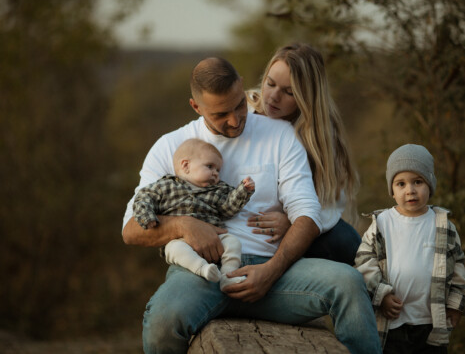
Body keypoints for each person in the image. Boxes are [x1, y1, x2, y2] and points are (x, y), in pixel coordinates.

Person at [122, 56, 382, 354]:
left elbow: (308, 213)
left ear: (242, 88)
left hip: (275, 276)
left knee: (348, 282)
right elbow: (131, 230)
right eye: (221, 114)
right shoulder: (170, 146)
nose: (235, 120)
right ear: (196, 107)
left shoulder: (280, 134)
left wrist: (271, 271)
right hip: (201, 273)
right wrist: (184, 225)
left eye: (239, 105)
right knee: (163, 320)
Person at [355, 144, 465, 353]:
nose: (410, 190)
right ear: (392, 191)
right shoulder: (383, 223)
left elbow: (457, 266)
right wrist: (382, 295)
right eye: (401, 184)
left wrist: (455, 305)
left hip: (430, 322)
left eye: (417, 182)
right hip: (392, 320)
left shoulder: (443, 225)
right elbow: (364, 260)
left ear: (429, 184)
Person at [246, 43, 361, 265]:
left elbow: (329, 203)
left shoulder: (321, 136)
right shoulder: (243, 113)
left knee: (345, 240)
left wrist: (294, 223)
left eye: (289, 92)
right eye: (269, 84)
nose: (273, 97)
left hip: (295, 227)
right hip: (250, 223)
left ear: (307, 97)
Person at [133, 138, 255, 290]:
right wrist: (147, 217)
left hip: (214, 239)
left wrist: (243, 191)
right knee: (173, 249)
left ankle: (228, 276)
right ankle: (203, 269)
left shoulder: (218, 190)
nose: (215, 173)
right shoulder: (166, 185)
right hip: (180, 240)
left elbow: (227, 209)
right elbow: (143, 198)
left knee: (233, 243)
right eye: (210, 166)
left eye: (218, 170)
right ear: (186, 165)